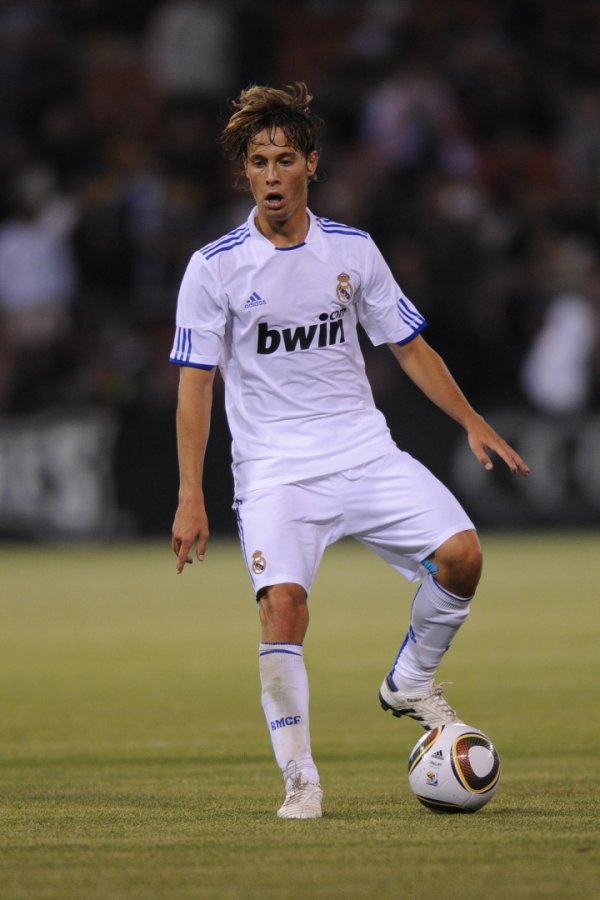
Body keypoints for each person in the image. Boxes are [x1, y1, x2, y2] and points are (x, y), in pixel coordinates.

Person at [169, 83, 529, 820]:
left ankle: (409, 679)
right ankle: (300, 778)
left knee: (462, 557)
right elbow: (194, 386)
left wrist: (471, 419)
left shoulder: (353, 251)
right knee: (283, 608)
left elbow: (409, 346)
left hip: (363, 451)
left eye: (285, 160)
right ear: (244, 172)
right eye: (258, 162)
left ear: (312, 165)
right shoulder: (215, 267)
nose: (271, 175)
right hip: (275, 470)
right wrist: (190, 494)